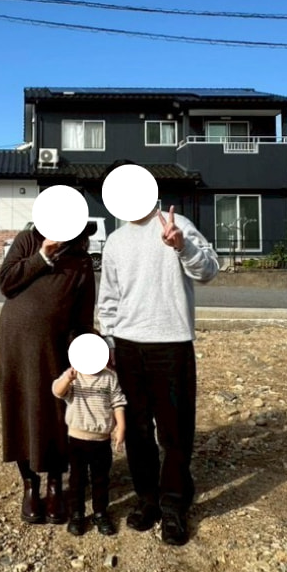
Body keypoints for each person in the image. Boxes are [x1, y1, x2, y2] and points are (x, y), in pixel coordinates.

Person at [98, 198, 218, 546]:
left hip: (172, 343)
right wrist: (108, 342)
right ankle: (148, 498)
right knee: (136, 430)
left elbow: (210, 270)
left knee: (175, 431)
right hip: (127, 346)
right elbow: (108, 296)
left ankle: (174, 505)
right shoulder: (116, 241)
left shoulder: (175, 224)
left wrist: (181, 245)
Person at [0, 222, 98, 525]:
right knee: (21, 404)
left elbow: (83, 315)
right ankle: (30, 485)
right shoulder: (27, 240)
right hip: (16, 342)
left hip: (58, 345)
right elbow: (7, 282)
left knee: (56, 410)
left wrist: (84, 352)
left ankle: (56, 483)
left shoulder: (81, 261)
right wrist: (42, 256)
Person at [51, 362, 127, 536]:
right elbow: (57, 391)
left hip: (101, 440)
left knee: (101, 479)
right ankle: (76, 514)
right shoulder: (73, 376)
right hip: (77, 439)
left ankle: (100, 513)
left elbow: (118, 402)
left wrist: (121, 427)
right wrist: (68, 379)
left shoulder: (109, 377)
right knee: (77, 479)